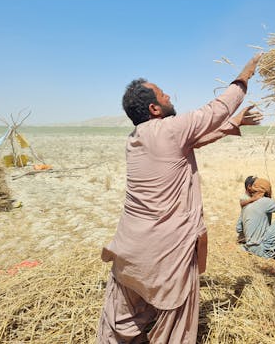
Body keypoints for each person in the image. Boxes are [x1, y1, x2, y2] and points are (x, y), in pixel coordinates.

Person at [96, 53, 263, 344]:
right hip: (165, 254)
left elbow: (196, 138)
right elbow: (216, 109)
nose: (169, 95)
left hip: (129, 252)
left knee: (121, 321)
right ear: (154, 108)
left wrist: (236, 123)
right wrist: (244, 76)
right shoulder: (172, 130)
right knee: (175, 326)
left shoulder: (137, 137)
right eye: (163, 94)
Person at [239, 178, 275, 259]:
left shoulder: (246, 205)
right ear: (266, 191)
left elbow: (239, 228)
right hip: (261, 250)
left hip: (250, 247)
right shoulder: (264, 201)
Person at [235, 175, 257, 243]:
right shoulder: (244, 197)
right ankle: (243, 236)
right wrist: (253, 199)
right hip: (243, 225)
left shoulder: (253, 196)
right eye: (256, 186)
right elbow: (242, 203)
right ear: (249, 187)